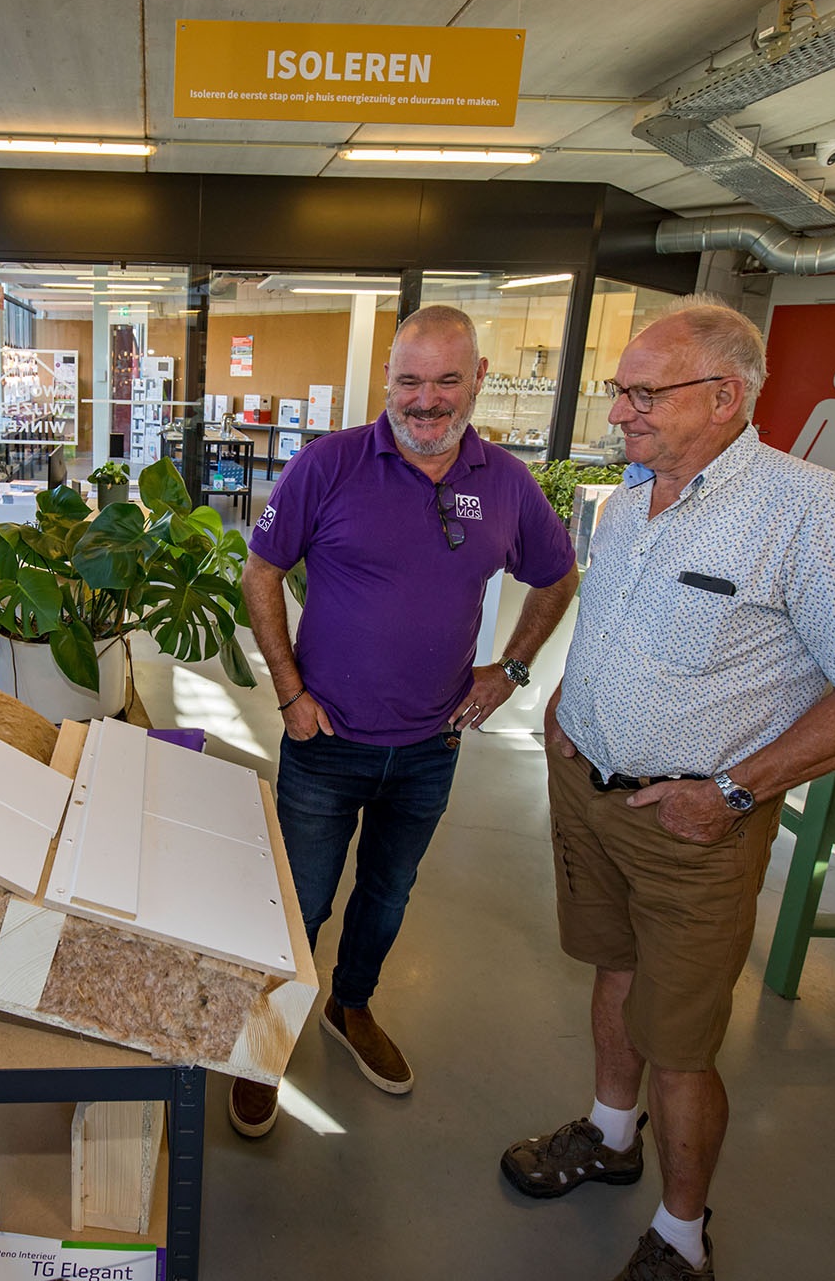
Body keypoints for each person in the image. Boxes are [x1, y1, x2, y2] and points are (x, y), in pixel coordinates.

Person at [501, 296, 835, 1280]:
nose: (620, 414)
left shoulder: (806, 510)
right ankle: (610, 1136)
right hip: (589, 795)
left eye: (645, 394)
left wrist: (733, 791)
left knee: (682, 1042)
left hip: (695, 826)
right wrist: (569, 697)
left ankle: (684, 1236)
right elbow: (617, 623)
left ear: (725, 396)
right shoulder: (625, 498)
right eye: (621, 392)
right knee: (612, 968)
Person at [236, 303, 579, 1137]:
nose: (427, 401)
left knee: (387, 897)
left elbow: (557, 574)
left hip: (432, 745)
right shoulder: (331, 464)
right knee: (300, 901)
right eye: (410, 381)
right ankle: (263, 1038)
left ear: (478, 383)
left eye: (446, 381)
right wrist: (288, 690)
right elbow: (260, 573)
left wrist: (512, 669)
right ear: (387, 380)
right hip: (327, 739)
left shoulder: (505, 482)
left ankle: (349, 1007)